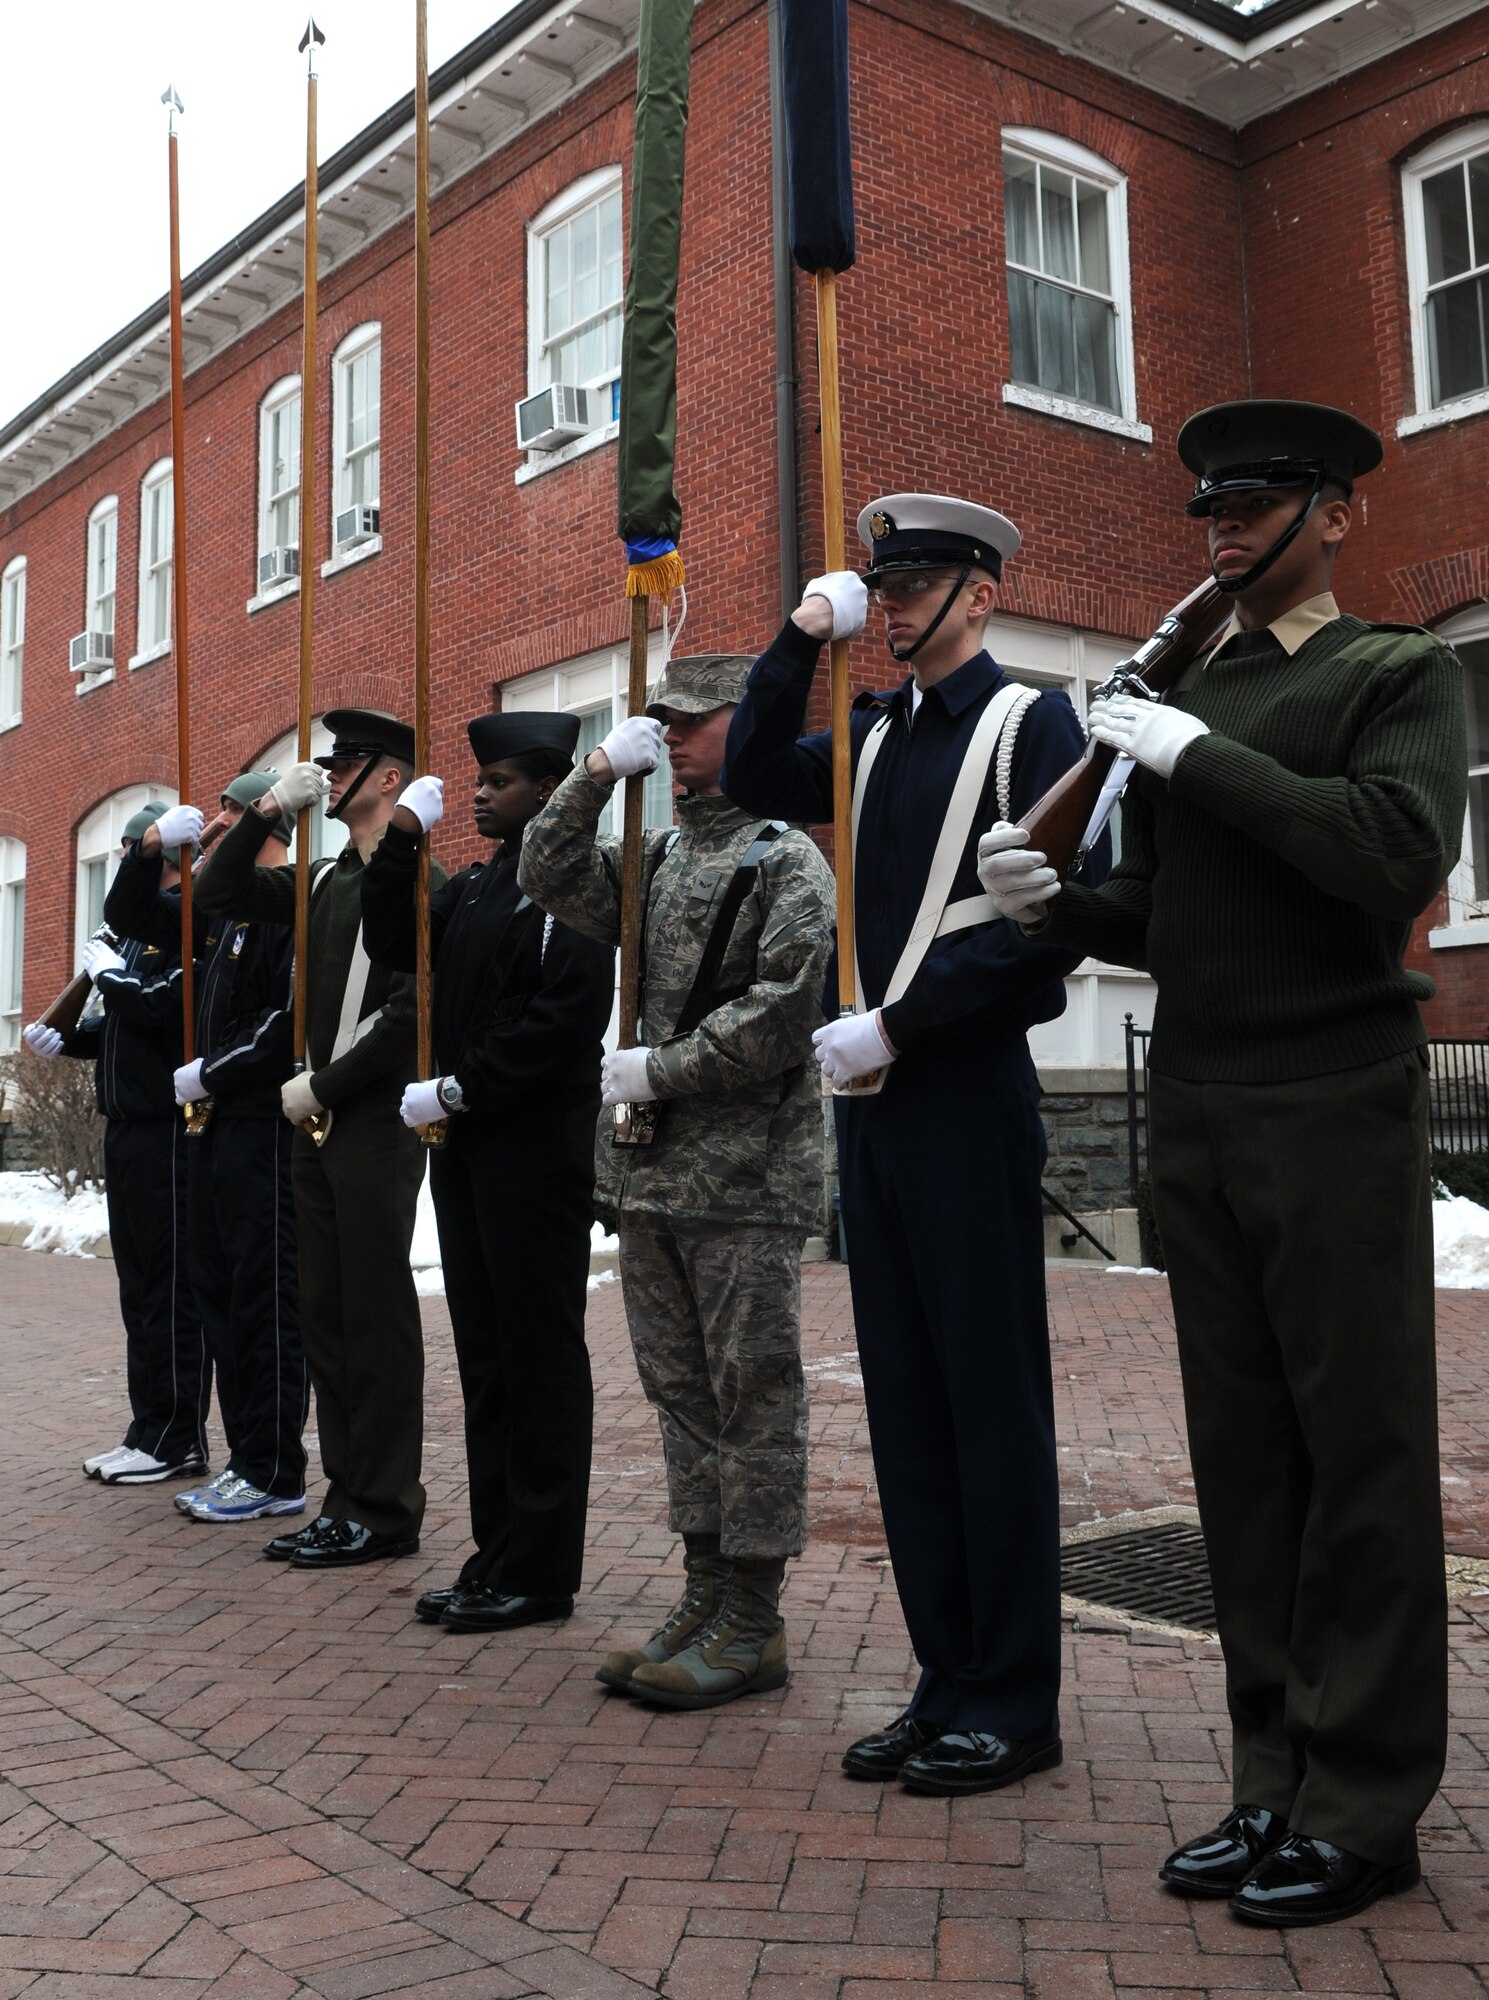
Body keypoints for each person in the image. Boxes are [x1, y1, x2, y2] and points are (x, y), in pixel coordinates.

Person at [977, 401, 1467, 1926]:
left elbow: (1391, 856)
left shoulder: (1396, 671)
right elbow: (1165, 913)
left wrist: (1195, 753)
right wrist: (1054, 901)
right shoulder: (1180, 688)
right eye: (1210, 509)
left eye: (1257, 504)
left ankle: (1365, 1800)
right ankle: (1272, 1782)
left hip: (1329, 1094)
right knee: (1245, 1461)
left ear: (1335, 516)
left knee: (1358, 1455)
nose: (1224, 528)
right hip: (1199, 1097)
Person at [722, 496, 1105, 1794]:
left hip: (961, 1089)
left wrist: (903, 1023)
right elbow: (749, 776)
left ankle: (1013, 1697)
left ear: (981, 594)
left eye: (917, 585)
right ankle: (947, 1680)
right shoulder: (874, 731)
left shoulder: (1027, 726)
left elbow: (1046, 935)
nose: (892, 606)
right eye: (882, 588)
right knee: (907, 1407)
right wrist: (793, 640)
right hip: (875, 1104)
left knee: (988, 1403)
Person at [520, 654, 835, 1709]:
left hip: (743, 1174)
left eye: (695, 721)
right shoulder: (655, 855)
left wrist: (665, 1065)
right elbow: (543, 869)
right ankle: (704, 1591)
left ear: (750, 723)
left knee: (754, 1396)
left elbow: (787, 1008)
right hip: (654, 1176)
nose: (679, 736)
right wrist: (597, 771)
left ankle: (753, 1612)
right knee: (681, 1395)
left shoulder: (785, 856)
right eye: (667, 722)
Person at [360, 711, 614, 1632]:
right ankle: (495, 1549)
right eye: (476, 780)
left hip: (532, 1152)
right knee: (486, 1360)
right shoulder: (473, 888)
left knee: (539, 1359)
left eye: (497, 780)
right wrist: (399, 840)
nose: (478, 792)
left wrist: (462, 1089)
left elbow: (563, 1024)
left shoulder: (569, 892)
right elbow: (394, 940)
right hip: (468, 1150)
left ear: (547, 792)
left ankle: (541, 1570)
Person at [193, 711, 437, 1569]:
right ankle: (346, 1497)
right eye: (327, 767)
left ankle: (387, 1505)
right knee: (326, 1320)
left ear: (389, 779)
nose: (331, 777)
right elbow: (216, 895)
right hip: (316, 1125)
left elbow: (411, 1012)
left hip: (367, 1121)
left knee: (373, 1321)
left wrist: (322, 1085)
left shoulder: (413, 881)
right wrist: (265, 816)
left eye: (348, 766)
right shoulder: (323, 880)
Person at [107, 776, 309, 1525]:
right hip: (213, 1127)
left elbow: (285, 1020)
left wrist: (211, 1073)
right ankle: (242, 1458)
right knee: (218, 1302)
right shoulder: (220, 912)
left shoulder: (288, 899)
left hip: (260, 1126)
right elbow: (129, 910)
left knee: (265, 1303)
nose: (216, 824)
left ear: (269, 818)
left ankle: (273, 1467)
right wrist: (152, 849)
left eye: (230, 811)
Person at [25, 801, 209, 1486]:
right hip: (127, 1129)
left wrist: (110, 979)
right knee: (139, 1288)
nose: (134, 857)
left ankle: (174, 1434)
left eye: (142, 848)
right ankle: (147, 1425)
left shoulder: (188, 920)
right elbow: (121, 1029)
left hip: (166, 1132)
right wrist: (68, 1037)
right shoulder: (131, 933)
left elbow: (163, 1011)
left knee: (168, 1288)